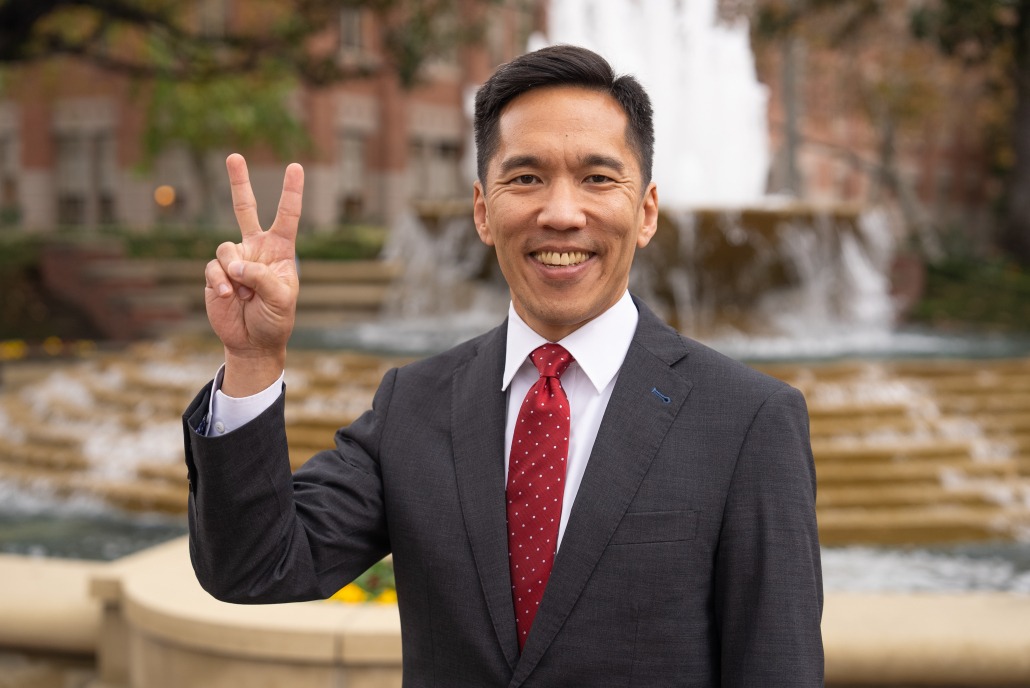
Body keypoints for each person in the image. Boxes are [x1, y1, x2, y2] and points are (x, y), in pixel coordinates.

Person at [184, 44, 823, 687]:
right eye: (526, 178)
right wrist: (254, 358)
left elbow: (777, 668)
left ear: (646, 211)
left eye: (598, 178)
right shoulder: (415, 403)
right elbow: (255, 565)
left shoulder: (748, 421)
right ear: (483, 211)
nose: (562, 214)